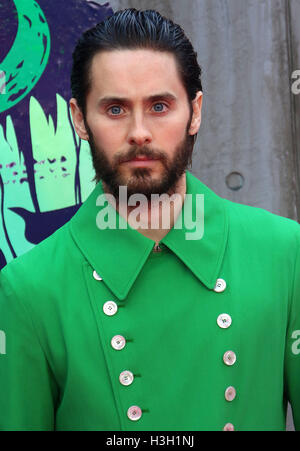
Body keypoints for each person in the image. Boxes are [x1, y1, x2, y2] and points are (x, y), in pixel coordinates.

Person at [0, 8, 299, 432]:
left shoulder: (284, 254)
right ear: (80, 119)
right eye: (116, 109)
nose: (140, 132)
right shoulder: (29, 288)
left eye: (159, 105)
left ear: (195, 112)